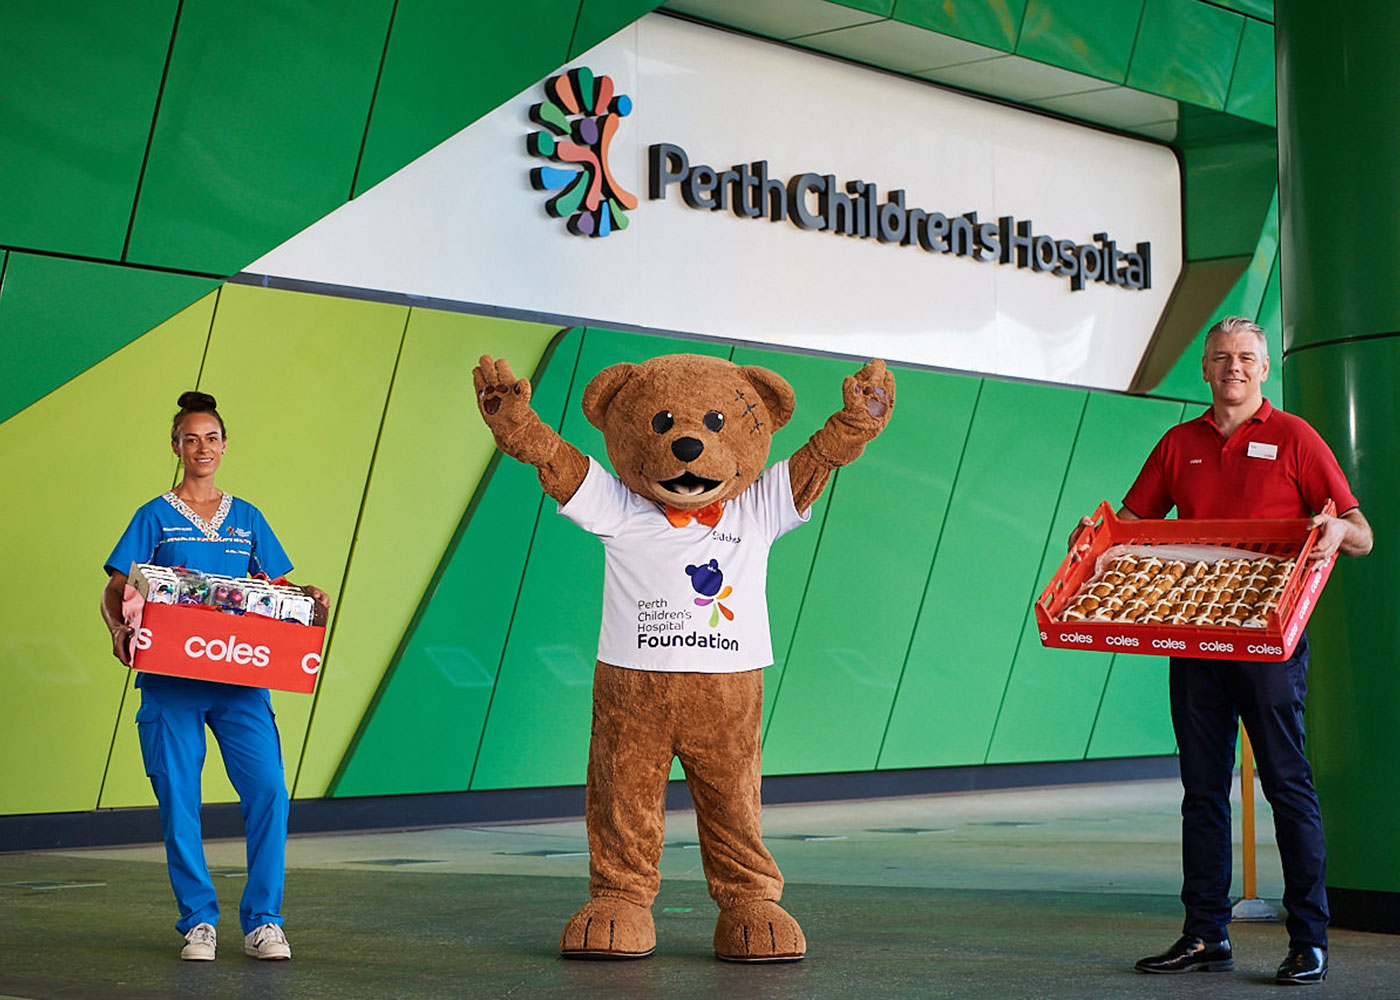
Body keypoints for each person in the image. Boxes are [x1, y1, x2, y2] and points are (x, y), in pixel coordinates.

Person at [1071, 317, 1371, 985]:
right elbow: (1134, 527)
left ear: (1263, 369)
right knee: (1201, 792)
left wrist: (1331, 530)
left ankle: (1309, 939)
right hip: (1195, 636)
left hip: (1270, 644)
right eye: (1220, 357)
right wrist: (1091, 542)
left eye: (1245, 358)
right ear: (1204, 369)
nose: (1232, 367)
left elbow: (1363, 533)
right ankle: (1205, 935)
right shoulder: (1179, 443)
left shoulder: (1295, 438)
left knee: (1288, 787)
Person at [99, 391, 328, 962]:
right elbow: (113, 588)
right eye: (189, 438)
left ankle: (263, 922)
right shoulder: (152, 515)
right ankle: (198, 922)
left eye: (211, 438)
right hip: (171, 683)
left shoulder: (248, 518)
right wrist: (118, 633)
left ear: (224, 447)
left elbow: (275, 592)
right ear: (175, 447)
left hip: (241, 680)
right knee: (180, 799)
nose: (201, 447)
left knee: (269, 791)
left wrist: (310, 599)